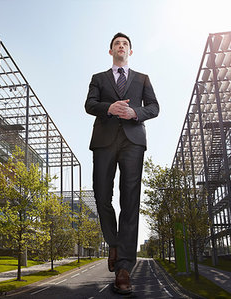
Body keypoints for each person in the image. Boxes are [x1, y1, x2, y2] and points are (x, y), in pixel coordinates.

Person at [85, 32, 159, 294]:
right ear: (110, 51)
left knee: (130, 199)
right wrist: (110, 107)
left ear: (130, 51)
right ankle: (113, 243)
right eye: (117, 44)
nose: (121, 46)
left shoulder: (142, 79)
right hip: (104, 141)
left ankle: (124, 267)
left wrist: (134, 112)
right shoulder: (98, 78)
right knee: (102, 196)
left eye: (125, 44)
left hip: (133, 141)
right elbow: (89, 104)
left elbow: (154, 107)